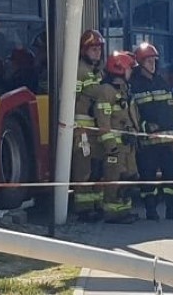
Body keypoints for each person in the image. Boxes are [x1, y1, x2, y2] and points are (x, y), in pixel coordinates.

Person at [129, 43, 173, 221]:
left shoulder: (162, 81)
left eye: (154, 61)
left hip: (165, 140)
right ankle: (151, 210)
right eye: (148, 61)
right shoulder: (134, 86)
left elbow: (172, 107)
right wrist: (145, 127)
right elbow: (132, 113)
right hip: (147, 143)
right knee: (148, 178)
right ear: (140, 63)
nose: (152, 65)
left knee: (172, 174)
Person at [93, 51, 140, 224]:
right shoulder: (106, 91)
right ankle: (113, 214)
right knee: (114, 180)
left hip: (127, 146)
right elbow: (103, 120)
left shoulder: (124, 89)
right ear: (120, 69)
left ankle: (124, 211)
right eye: (129, 69)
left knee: (128, 179)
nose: (131, 73)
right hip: (116, 148)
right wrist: (110, 145)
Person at [71, 29, 107, 222]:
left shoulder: (99, 72)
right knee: (83, 168)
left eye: (99, 49)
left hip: (96, 129)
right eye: (93, 49)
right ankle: (83, 209)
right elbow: (72, 98)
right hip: (82, 130)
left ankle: (96, 205)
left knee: (96, 169)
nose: (97, 52)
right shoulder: (79, 71)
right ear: (84, 51)